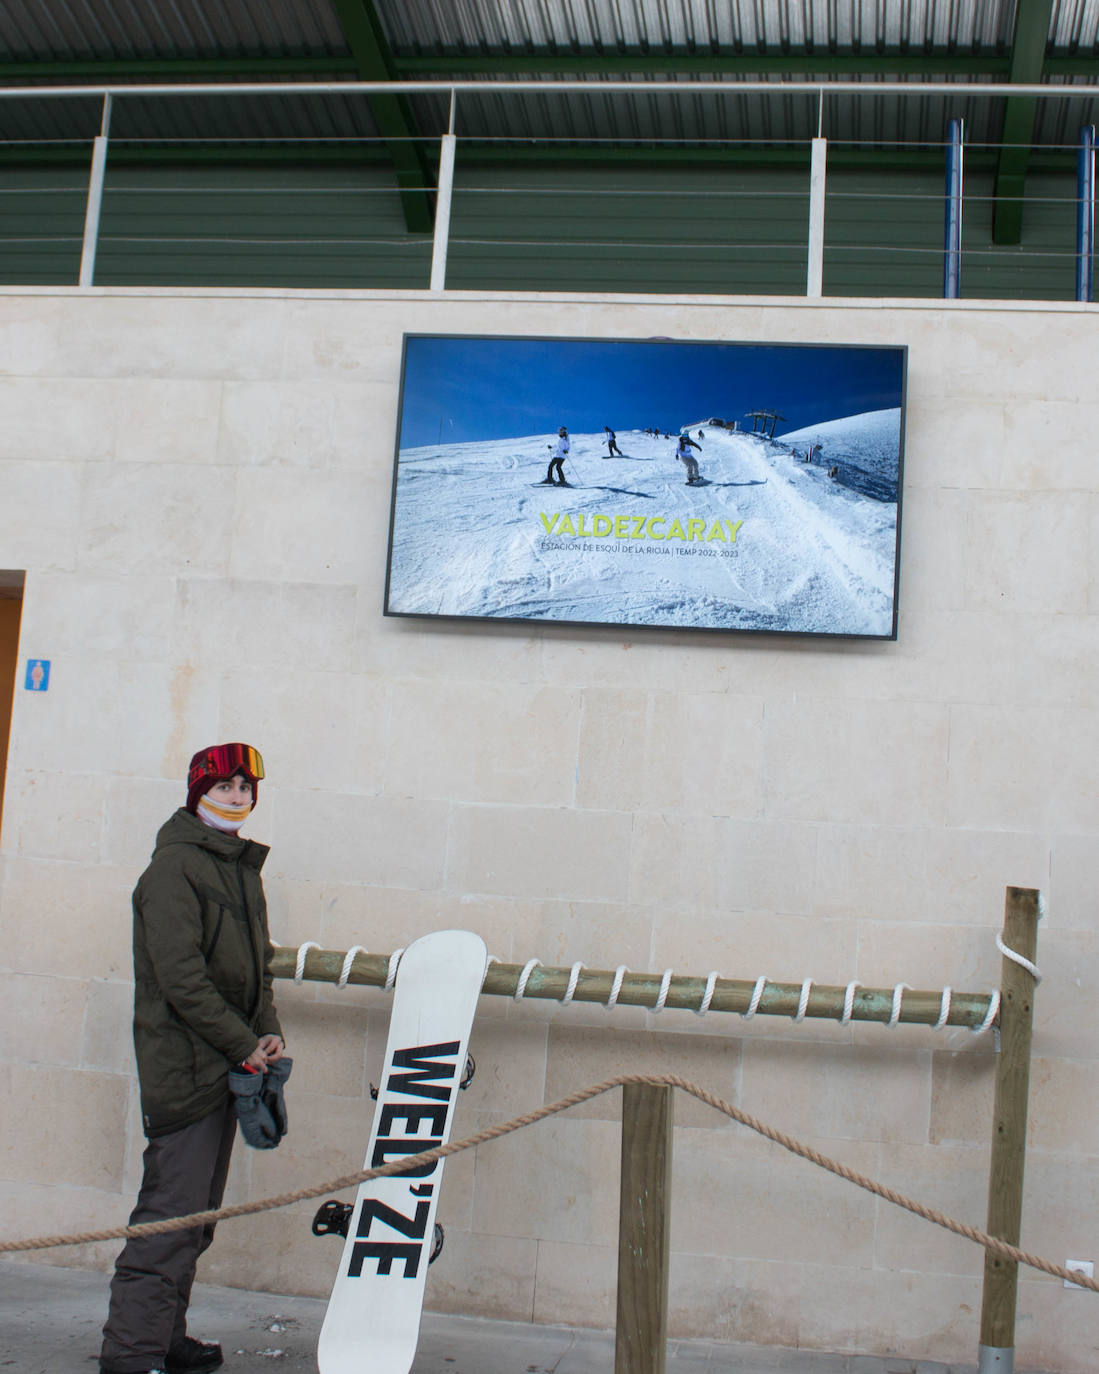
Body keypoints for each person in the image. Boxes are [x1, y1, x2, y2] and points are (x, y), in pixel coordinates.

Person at [100, 743, 284, 1374]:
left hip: (226, 1066)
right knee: (169, 1218)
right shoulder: (174, 870)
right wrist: (243, 1043)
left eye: (244, 787)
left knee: (195, 1222)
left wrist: (268, 1031)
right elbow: (182, 980)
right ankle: (131, 1354)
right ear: (197, 791)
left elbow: (255, 970)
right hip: (186, 1071)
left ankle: (162, 1337)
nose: (236, 796)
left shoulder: (237, 866)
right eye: (224, 785)